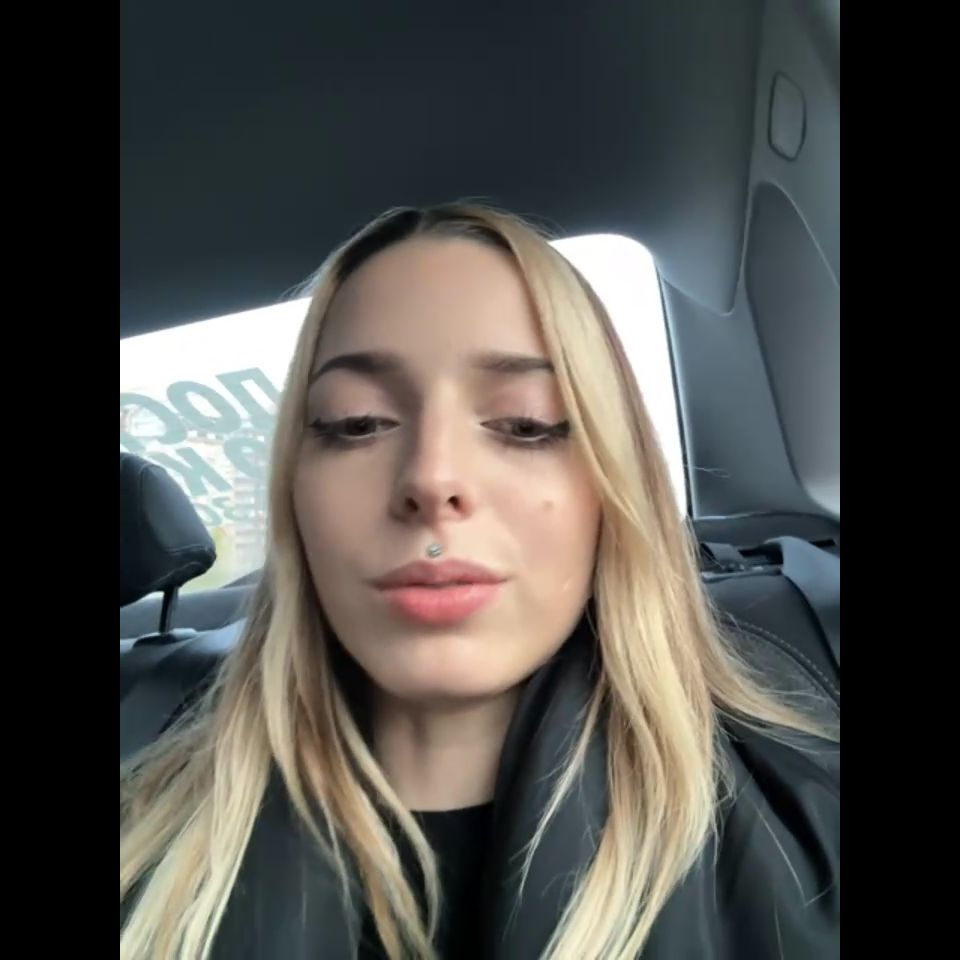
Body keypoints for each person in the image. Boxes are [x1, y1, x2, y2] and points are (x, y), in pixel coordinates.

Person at [120, 204, 839, 960]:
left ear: (612, 487)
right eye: (357, 422)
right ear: (294, 491)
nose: (432, 479)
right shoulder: (140, 835)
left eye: (527, 423)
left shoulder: (812, 837)